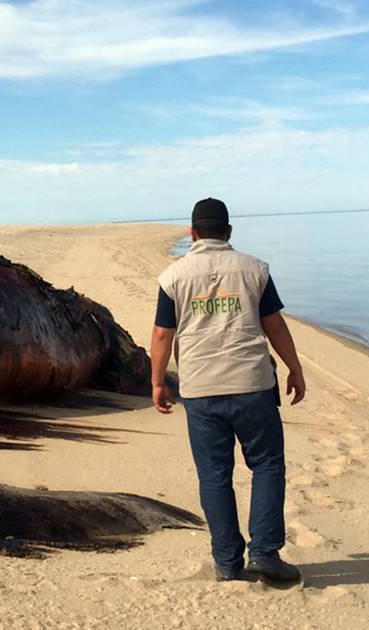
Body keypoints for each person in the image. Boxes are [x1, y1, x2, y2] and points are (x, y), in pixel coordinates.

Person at [150, 197, 306, 583]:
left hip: (201, 389)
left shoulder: (174, 276)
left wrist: (156, 381)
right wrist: (294, 368)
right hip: (252, 383)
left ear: (192, 234)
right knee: (267, 465)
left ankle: (227, 563)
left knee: (214, 474)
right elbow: (275, 326)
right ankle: (266, 554)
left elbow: (161, 334)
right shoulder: (254, 269)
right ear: (229, 232)